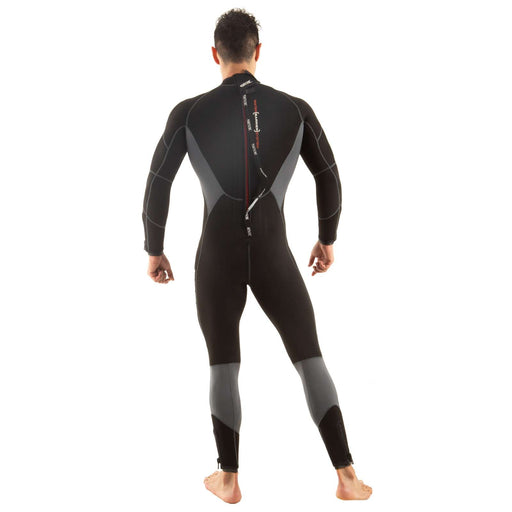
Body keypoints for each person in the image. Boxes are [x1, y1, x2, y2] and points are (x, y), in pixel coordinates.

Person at [141, 8, 372, 504]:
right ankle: (348, 476)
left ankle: (228, 479)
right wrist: (327, 238)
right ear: (258, 52)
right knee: (309, 358)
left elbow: (158, 183)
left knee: (223, 365)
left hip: (215, 257)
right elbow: (329, 177)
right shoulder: (295, 109)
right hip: (274, 253)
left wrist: (154, 249)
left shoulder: (188, 113)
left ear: (215, 54)